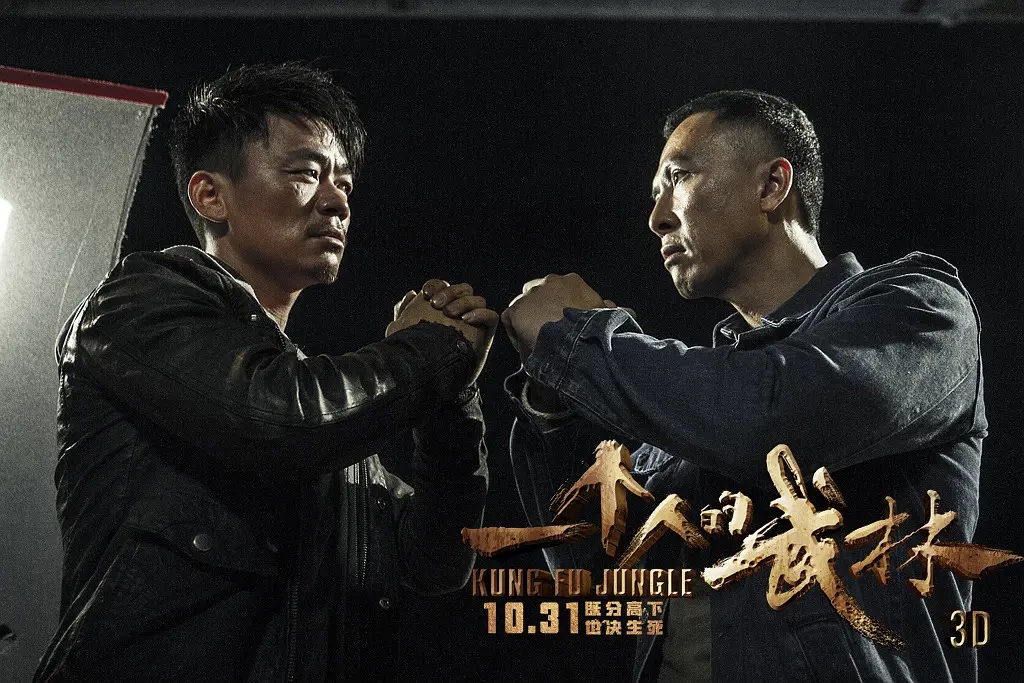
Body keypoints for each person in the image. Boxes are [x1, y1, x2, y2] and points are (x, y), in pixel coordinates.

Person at [501, 90, 985, 682]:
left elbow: (776, 422)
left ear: (771, 186)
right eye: (654, 194)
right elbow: (602, 571)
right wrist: (555, 405)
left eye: (678, 178)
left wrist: (578, 341)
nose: (657, 218)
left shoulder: (921, 311)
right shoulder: (696, 404)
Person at [36, 62, 497, 681]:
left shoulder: (329, 420)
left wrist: (452, 400)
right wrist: (431, 350)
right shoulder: (136, 304)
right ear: (210, 195)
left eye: (344, 183)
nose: (337, 201)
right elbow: (279, 419)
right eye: (306, 173)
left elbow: (436, 561)